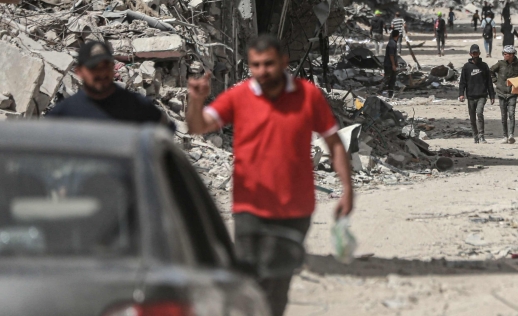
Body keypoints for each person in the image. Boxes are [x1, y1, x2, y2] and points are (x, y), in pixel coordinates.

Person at [185, 35, 353, 316]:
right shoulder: (239, 96)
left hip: (295, 208)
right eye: (256, 65)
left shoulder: (307, 95)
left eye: (269, 64)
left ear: (284, 63)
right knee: (250, 279)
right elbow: (198, 126)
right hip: (250, 206)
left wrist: (347, 189)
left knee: (279, 279)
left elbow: (334, 143)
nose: (262, 71)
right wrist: (196, 101)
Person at [48, 40, 171, 126]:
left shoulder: (136, 105)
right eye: (94, 68)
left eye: (106, 66)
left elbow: (164, 134)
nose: (101, 73)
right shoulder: (66, 111)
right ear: (79, 72)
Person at [490, 46, 518, 144]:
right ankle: (504, 136)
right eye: (504, 54)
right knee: (503, 116)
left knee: (511, 114)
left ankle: (511, 135)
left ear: (512, 55)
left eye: (506, 54)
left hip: (512, 93)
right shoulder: (500, 64)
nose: (505, 55)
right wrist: (496, 82)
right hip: (501, 93)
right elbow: (490, 71)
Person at [458, 44, 495, 143]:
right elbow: (462, 82)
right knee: (472, 119)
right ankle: (475, 136)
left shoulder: (484, 66)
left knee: (479, 113)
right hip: (470, 96)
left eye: (476, 52)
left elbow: (489, 82)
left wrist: (492, 95)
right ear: (470, 54)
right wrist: (461, 94)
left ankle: (481, 135)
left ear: (479, 53)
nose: (475, 54)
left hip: (482, 95)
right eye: (473, 53)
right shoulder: (466, 67)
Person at [382, 29, 400, 98]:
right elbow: (391, 55)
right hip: (389, 65)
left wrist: (396, 63)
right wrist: (393, 65)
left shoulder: (392, 42)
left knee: (392, 80)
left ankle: (390, 94)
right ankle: (382, 92)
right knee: (388, 79)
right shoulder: (392, 43)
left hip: (390, 64)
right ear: (397, 35)